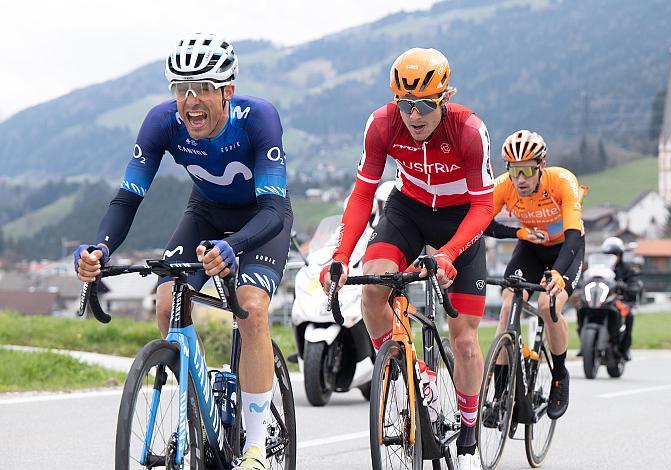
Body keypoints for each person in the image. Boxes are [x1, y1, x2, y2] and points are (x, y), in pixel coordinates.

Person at [73, 33, 292, 470]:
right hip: (206, 214)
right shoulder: (161, 122)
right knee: (167, 299)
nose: (190, 101)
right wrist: (100, 248)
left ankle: (253, 446)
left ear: (226, 91)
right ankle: (200, 402)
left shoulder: (258, 118)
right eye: (180, 88)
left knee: (250, 307)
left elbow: (271, 208)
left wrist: (233, 247)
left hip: (260, 220)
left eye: (203, 88)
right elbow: (126, 199)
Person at [321, 47, 495, 469]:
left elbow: (484, 206)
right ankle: (407, 373)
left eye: (423, 106)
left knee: (465, 339)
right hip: (408, 210)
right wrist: (341, 254)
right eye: (405, 104)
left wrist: (451, 253)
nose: (413, 116)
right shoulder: (381, 125)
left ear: (445, 98)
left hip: (460, 219)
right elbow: (363, 193)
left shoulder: (469, 130)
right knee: (372, 287)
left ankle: (469, 438)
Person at [485, 130, 586, 420]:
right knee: (506, 310)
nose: (521, 179)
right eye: (514, 171)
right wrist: (518, 231)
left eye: (527, 170)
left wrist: (556, 274)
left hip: (565, 251)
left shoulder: (562, 181)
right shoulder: (504, 187)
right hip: (530, 248)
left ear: (541, 166)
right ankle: (500, 396)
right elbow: (481, 224)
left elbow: (574, 237)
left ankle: (560, 375)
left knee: (548, 306)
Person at [577, 236, 642, 361]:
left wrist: (629, 287)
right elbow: (584, 278)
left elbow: (634, 283)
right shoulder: (597, 270)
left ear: (621, 255)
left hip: (617, 300)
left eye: (616, 253)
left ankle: (624, 348)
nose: (613, 256)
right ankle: (584, 344)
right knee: (581, 308)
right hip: (598, 300)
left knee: (629, 315)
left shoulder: (627, 270)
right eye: (609, 254)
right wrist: (580, 283)